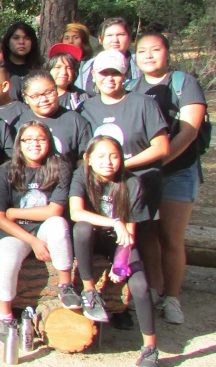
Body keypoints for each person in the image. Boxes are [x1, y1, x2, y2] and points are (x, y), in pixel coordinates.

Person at [79, 49, 169, 332]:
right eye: (104, 72)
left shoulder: (143, 103)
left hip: (138, 185)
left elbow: (161, 146)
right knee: (96, 243)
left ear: (125, 75)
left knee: (136, 246)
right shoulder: (86, 107)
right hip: (100, 193)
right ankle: (105, 303)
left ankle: (140, 301)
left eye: (115, 72)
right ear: (94, 75)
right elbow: (84, 153)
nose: (109, 78)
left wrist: (123, 164)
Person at [130, 29, 206, 325]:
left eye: (155, 50)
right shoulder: (132, 86)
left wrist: (161, 160)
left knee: (171, 236)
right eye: (142, 51)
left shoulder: (184, 83)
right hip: (144, 174)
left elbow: (188, 131)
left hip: (178, 170)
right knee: (147, 233)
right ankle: (153, 289)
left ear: (167, 53)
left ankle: (172, 297)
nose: (148, 56)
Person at [70, 136, 159, 367]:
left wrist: (121, 262)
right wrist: (114, 222)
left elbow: (129, 233)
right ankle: (89, 292)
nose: (108, 161)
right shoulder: (82, 175)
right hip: (91, 239)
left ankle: (150, 348)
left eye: (114, 156)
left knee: (140, 285)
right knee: (82, 228)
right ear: (88, 159)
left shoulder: (132, 183)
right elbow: (75, 213)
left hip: (119, 242)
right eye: (101, 156)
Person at [0, 121, 80, 347]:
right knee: (7, 260)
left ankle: (65, 285)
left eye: (40, 138)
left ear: (49, 141)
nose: (34, 144)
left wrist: (14, 211)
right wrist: (33, 241)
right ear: (19, 143)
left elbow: (55, 209)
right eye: (28, 139)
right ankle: (5, 315)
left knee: (59, 223)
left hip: (45, 226)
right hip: (16, 232)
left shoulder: (60, 167)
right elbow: (0, 218)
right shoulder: (6, 170)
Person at [21, 70, 92, 163]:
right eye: (35, 96)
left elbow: (84, 160)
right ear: (26, 98)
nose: (44, 99)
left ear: (57, 90)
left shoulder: (76, 121)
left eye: (49, 92)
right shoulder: (20, 122)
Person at [75, 18, 141, 95]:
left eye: (120, 35)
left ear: (129, 38)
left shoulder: (140, 63)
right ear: (100, 39)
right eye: (109, 35)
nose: (115, 40)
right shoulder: (88, 66)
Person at [47, 45, 88, 111]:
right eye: (58, 67)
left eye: (69, 68)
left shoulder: (82, 97)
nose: (64, 72)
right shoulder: (40, 97)